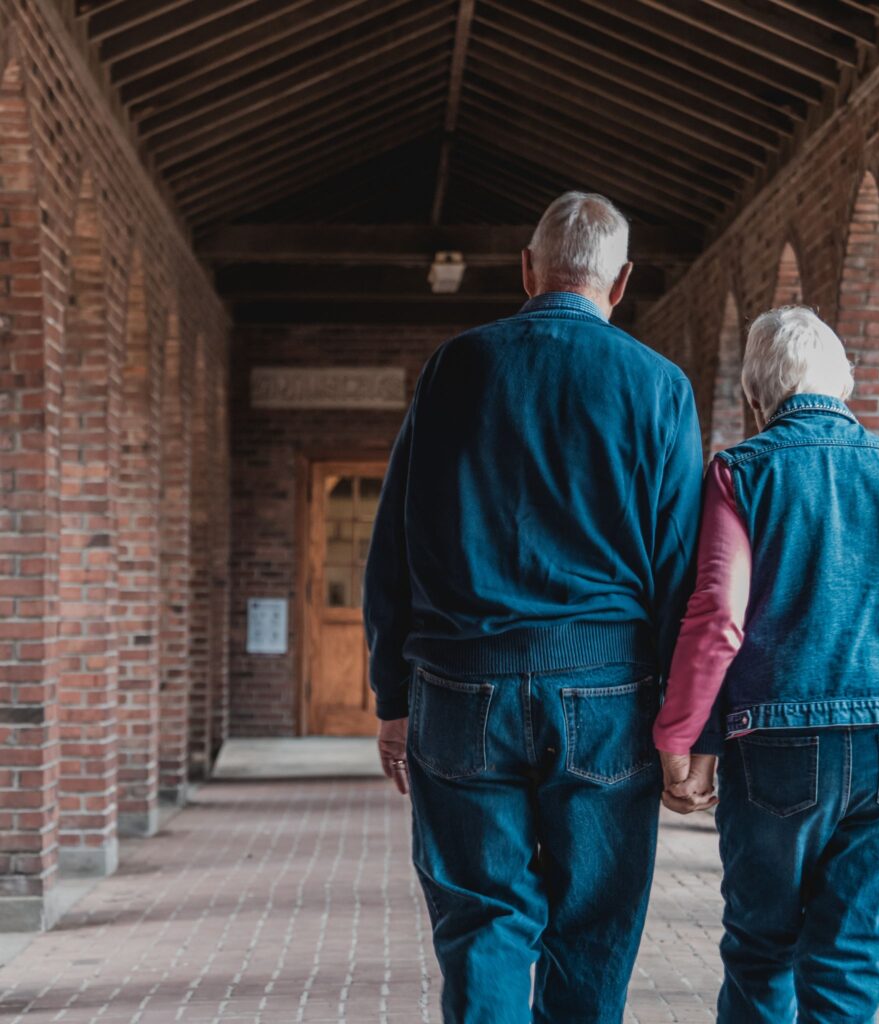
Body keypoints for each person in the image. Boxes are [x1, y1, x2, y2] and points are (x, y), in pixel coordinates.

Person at [363, 191, 704, 1023]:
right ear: (620, 282)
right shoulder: (659, 386)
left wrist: (392, 700)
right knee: (594, 926)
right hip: (606, 691)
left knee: (482, 920)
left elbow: (396, 541)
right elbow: (681, 570)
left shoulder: (455, 367)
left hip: (458, 682)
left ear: (526, 268)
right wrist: (684, 726)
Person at [653, 306, 879, 1023]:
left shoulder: (740, 473)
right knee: (851, 958)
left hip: (779, 746)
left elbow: (718, 616)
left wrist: (681, 737)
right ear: (847, 386)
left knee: (762, 950)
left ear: (753, 397)